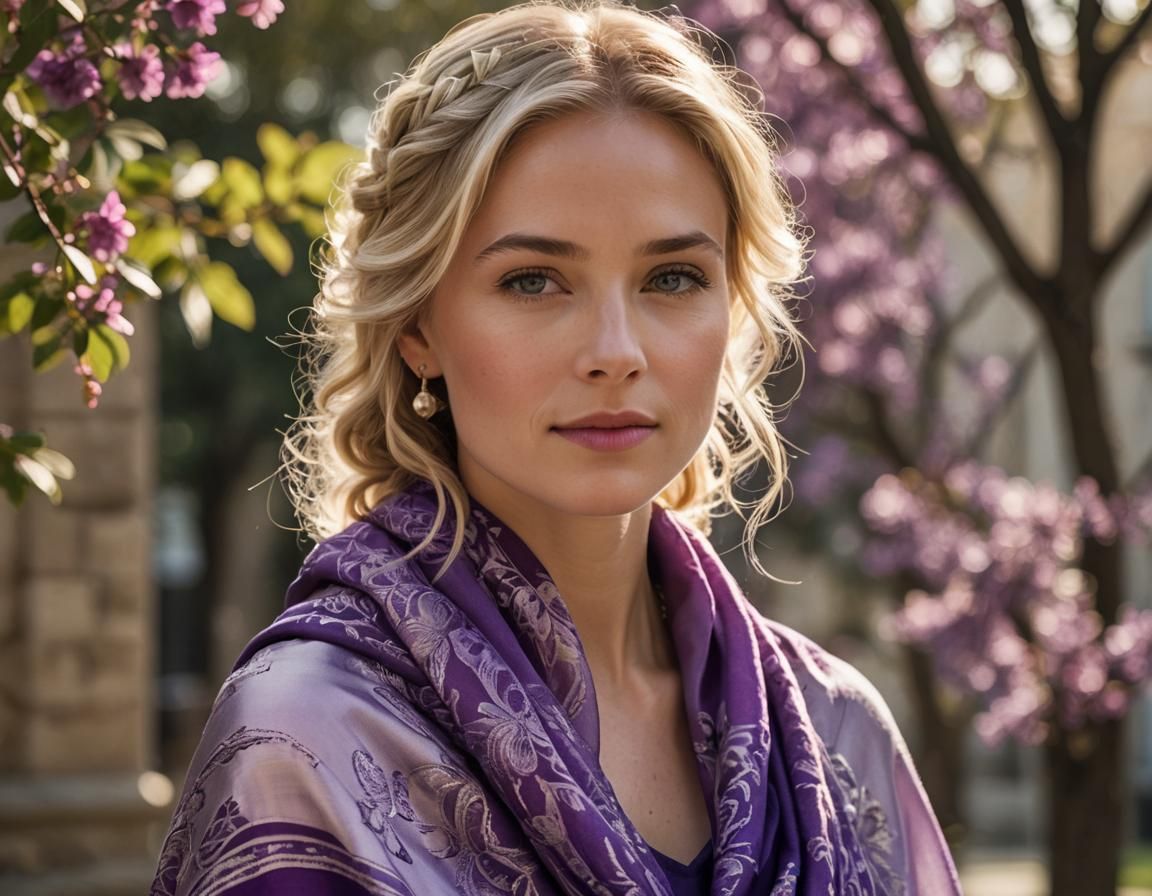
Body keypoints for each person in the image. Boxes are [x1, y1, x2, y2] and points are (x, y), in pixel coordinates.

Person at [151, 2, 963, 893]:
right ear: (417, 326)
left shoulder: (838, 733)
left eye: (673, 277)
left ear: (732, 311)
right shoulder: (301, 741)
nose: (615, 351)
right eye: (533, 281)